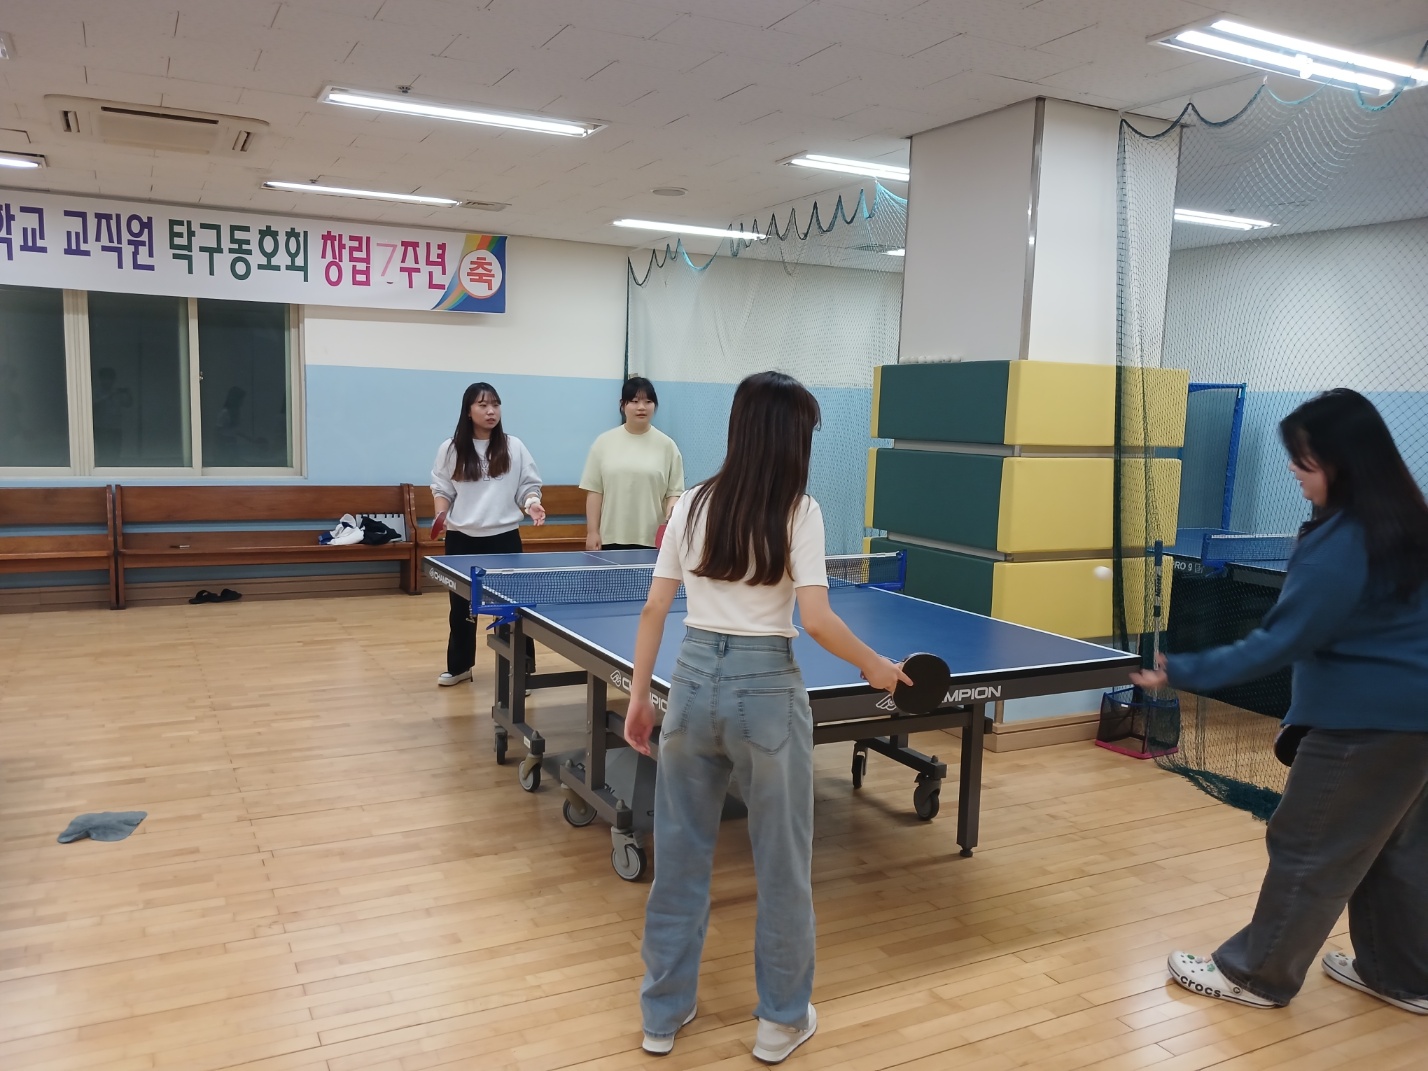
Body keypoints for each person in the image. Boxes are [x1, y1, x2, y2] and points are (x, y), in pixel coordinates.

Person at [623, 371, 912, 1062]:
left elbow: (656, 607)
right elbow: (817, 619)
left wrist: (639, 697)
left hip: (690, 682)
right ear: (789, 437)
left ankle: (662, 1015)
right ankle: (780, 1021)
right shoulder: (799, 511)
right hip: (767, 693)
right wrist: (875, 666)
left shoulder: (692, 503)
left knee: (679, 858)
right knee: (782, 863)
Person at [1130, 389, 1428, 1014]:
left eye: (1305, 457)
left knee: (1308, 846)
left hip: (1365, 727)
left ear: (1343, 460)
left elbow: (1282, 640)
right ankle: (1402, 977)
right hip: (1414, 727)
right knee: (1391, 849)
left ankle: (1255, 976)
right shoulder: (1407, 522)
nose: (1294, 467)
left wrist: (1178, 668)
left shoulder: (1346, 540)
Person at [430, 382, 546, 686]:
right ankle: (460, 667)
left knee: (512, 608)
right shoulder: (451, 449)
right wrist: (441, 515)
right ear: (468, 411)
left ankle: (519, 673)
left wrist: (531, 503)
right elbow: (442, 489)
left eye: (495, 404)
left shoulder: (513, 446)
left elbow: (527, 486)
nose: (491, 411)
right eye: (482, 405)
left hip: (504, 538)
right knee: (461, 608)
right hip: (461, 539)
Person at [580, 376, 684, 550]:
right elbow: (595, 491)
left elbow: (674, 493)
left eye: (648, 401)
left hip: (653, 540)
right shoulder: (603, 443)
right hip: (610, 538)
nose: (641, 407)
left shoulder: (668, 446)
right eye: (634, 401)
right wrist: (592, 532)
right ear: (623, 405)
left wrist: (669, 520)